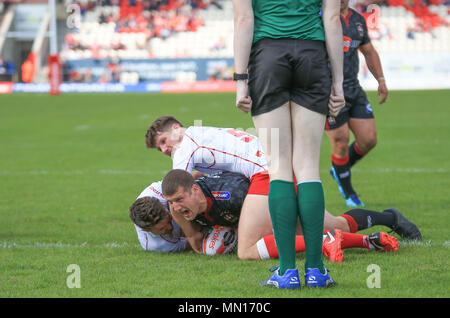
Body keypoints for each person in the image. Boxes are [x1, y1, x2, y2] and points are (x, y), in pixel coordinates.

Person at [145, 116, 421, 247]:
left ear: (176, 130)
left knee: (248, 245)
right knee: (328, 222)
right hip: (279, 163)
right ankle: (388, 219)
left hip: (266, 173)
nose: (165, 149)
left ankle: (328, 242)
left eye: (163, 141)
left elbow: (177, 186)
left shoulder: (185, 146)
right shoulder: (200, 133)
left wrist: (159, 211)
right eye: (160, 148)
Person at [232, 0, 345, 288]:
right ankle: (317, 272)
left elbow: (243, 19)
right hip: (313, 57)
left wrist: (240, 81)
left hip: (268, 58)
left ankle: (286, 272)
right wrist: (339, 83)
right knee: (308, 168)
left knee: (279, 167)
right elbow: (332, 19)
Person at [160, 169, 401, 263]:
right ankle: (379, 232)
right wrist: (220, 240)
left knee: (250, 250)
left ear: (194, 190)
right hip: (268, 192)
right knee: (335, 226)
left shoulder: (231, 194)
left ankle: (387, 220)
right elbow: (195, 242)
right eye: (172, 203)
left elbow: (260, 214)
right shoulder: (178, 210)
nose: (177, 207)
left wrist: (234, 237)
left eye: (180, 200)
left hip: (274, 193)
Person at [325, 0, 389, 207]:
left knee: (368, 139)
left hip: (353, 88)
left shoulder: (357, 20)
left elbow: (369, 51)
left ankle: (339, 169)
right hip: (328, 92)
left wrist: (380, 79)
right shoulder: (320, 18)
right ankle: (349, 193)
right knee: (341, 140)